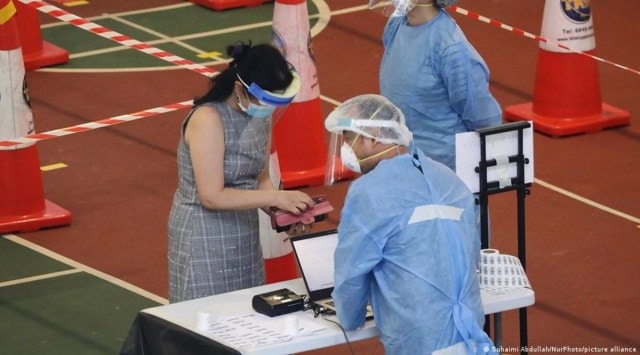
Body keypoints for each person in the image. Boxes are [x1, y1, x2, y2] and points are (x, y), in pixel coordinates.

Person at [325, 94, 495, 354]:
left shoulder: (369, 192)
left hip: (419, 336)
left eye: (349, 140)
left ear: (372, 138)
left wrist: (350, 317)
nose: (347, 150)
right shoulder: (446, 176)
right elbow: (471, 251)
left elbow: (351, 271)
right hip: (470, 328)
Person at [167, 42, 314, 303]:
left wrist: (284, 214)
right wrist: (276, 199)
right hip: (203, 239)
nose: (269, 108)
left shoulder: (260, 114)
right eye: (265, 100)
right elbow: (212, 196)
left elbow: (261, 179)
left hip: (243, 236)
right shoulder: (208, 119)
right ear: (239, 89)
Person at [372, 0, 502, 172]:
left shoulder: (451, 49)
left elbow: (484, 119)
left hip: (442, 172)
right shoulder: (396, 24)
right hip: (401, 160)